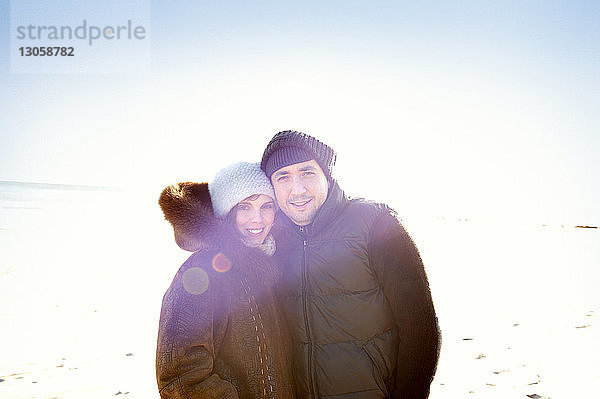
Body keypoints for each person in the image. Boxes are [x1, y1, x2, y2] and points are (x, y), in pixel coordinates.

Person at [261, 131, 441, 399]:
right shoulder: (270, 241)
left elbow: (420, 327)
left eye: (307, 172)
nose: (297, 189)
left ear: (327, 176)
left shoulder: (375, 224)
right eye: (283, 177)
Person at [155, 162, 295, 399]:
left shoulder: (268, 266)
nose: (257, 219)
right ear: (226, 212)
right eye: (245, 207)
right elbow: (181, 377)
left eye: (266, 206)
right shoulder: (201, 272)